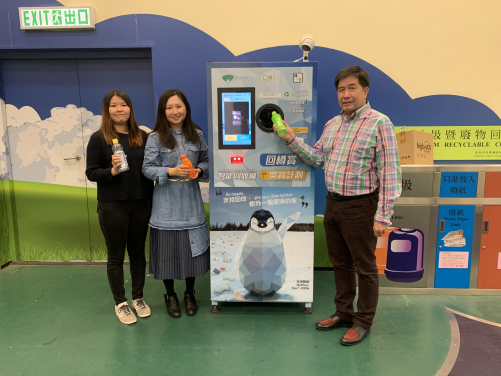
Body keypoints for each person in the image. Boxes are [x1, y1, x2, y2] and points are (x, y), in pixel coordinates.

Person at [274, 66, 401, 345]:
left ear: (365, 91)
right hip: (333, 204)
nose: (346, 94)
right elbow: (316, 158)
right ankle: (343, 313)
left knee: (365, 267)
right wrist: (290, 139)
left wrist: (383, 216)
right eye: (341, 89)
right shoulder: (333, 125)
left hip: (361, 206)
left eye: (352, 88)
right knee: (340, 264)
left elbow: (390, 173)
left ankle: (363, 321)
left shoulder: (380, 123)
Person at [86, 90, 154, 325]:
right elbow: (91, 172)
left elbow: (150, 171)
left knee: (137, 254)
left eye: (123, 105)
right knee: (116, 256)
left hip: (141, 203)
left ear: (130, 109)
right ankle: (121, 303)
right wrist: (112, 171)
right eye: (114, 106)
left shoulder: (143, 137)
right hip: (112, 205)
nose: (119, 109)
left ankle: (138, 298)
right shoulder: (99, 138)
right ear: (107, 111)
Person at [142, 89, 209, 318]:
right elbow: (147, 169)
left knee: (192, 253)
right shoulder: (155, 137)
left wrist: (198, 170)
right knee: (168, 254)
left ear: (186, 108)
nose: (174, 111)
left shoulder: (197, 134)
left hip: (190, 204)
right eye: (169, 107)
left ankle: (189, 293)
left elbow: (207, 162)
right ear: (163, 111)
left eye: (178, 106)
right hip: (165, 207)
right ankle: (170, 295)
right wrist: (170, 170)